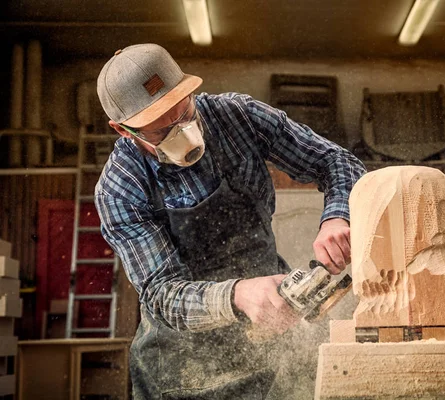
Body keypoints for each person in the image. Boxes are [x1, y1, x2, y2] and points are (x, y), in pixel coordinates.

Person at [94, 43, 366, 399]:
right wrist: (237, 295)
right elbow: (162, 294)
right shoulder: (120, 187)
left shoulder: (237, 115)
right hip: (183, 366)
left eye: (184, 112)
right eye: (161, 131)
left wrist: (336, 217)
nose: (183, 131)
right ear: (124, 130)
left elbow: (336, 161)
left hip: (273, 336)